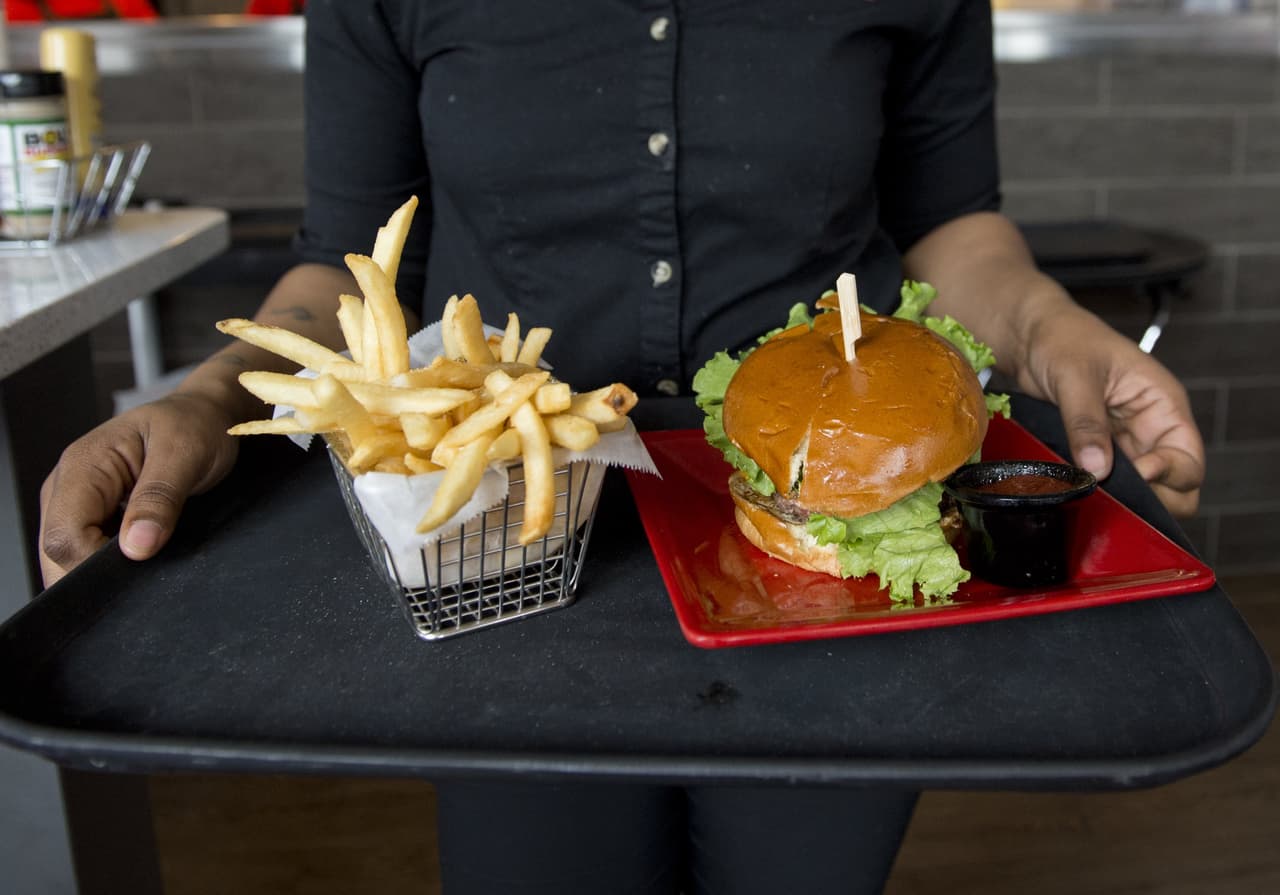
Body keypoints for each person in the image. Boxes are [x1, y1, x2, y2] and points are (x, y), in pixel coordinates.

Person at [37, 2, 1205, 892]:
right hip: (505, 541)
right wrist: (202, 400)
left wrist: (1051, 331)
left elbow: (954, 227)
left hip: (821, 564)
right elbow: (343, 263)